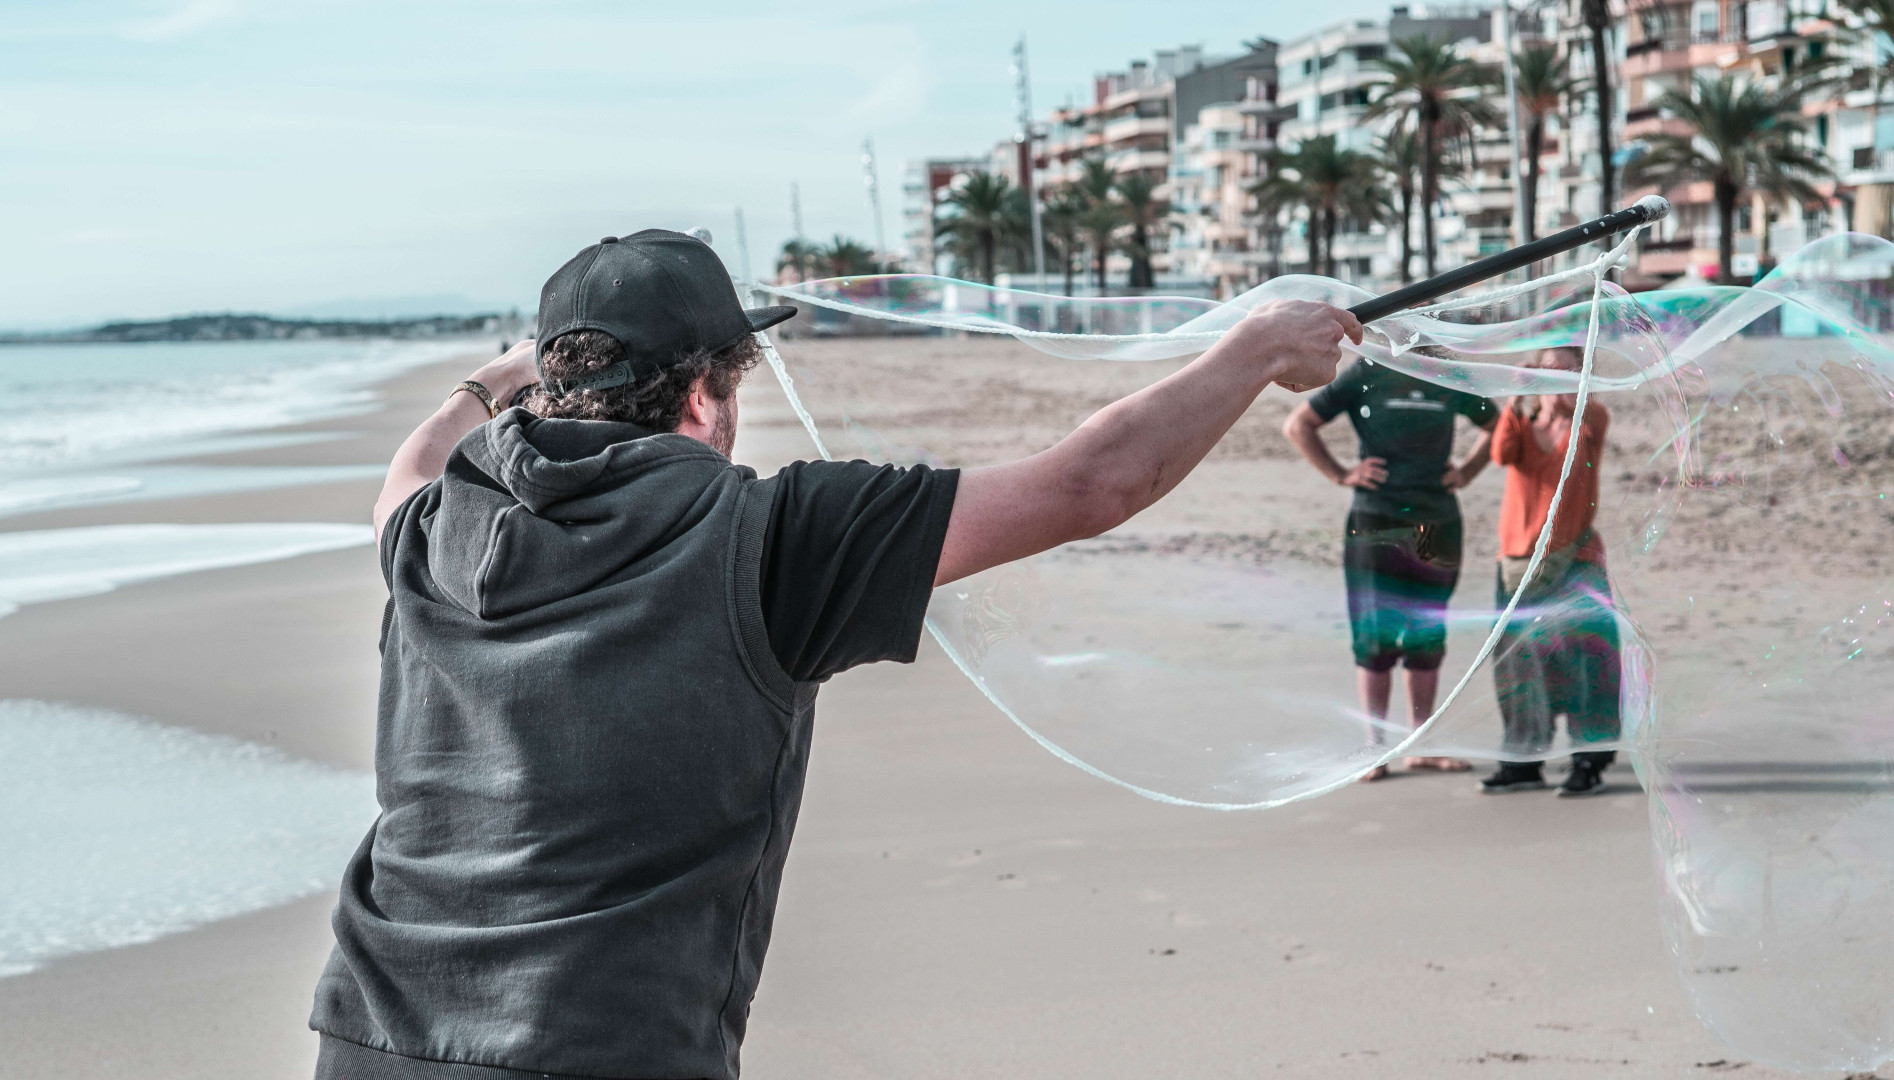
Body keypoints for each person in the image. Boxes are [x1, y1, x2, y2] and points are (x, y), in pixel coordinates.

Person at [308, 229, 1361, 1080]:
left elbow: (405, 468)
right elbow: (1091, 485)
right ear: (706, 395)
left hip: (371, 1036)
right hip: (603, 1047)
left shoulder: (435, 528)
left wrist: (494, 382)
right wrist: (1258, 351)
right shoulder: (769, 538)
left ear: (554, 384)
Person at [1284, 358, 1496, 781]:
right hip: (1375, 519)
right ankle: (1376, 749)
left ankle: (1420, 746)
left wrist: (1468, 470)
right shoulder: (1365, 375)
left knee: (1427, 632)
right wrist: (1342, 474)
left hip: (1436, 520)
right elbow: (1298, 425)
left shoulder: (1444, 375)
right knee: (1375, 636)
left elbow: (1499, 426)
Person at [1474, 347, 1623, 797]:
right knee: (1517, 665)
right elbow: (1501, 454)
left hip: (1576, 560)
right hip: (1518, 564)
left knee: (1586, 659)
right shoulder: (1522, 424)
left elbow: (1590, 414)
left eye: (1570, 369)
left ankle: (1588, 762)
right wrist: (1516, 400)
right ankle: (1524, 760)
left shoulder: (1589, 420)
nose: (1559, 377)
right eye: (1549, 369)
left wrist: (1567, 398)